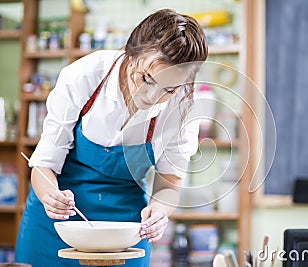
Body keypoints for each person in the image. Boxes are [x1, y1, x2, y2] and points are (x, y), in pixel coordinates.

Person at [15, 9, 208, 267]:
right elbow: (44, 164)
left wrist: (160, 211)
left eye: (169, 90)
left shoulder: (183, 109)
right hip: (55, 224)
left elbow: (169, 182)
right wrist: (50, 195)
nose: (151, 97)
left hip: (125, 230)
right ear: (131, 54)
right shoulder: (84, 76)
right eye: (146, 79)